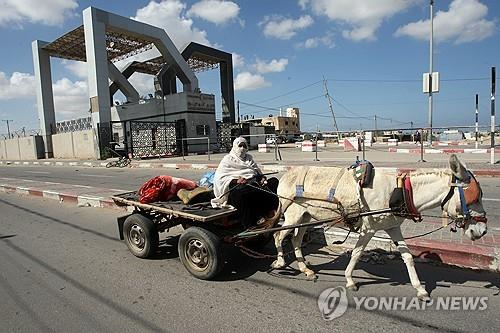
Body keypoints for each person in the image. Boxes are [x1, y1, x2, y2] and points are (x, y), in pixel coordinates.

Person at [212, 137, 279, 229]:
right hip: (235, 189)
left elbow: (256, 172)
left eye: (244, 146)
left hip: (253, 185)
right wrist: (236, 181)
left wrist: (262, 178)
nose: (242, 148)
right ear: (235, 146)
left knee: (274, 182)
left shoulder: (249, 158)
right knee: (240, 194)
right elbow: (219, 178)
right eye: (240, 146)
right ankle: (249, 224)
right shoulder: (228, 159)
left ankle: (271, 212)